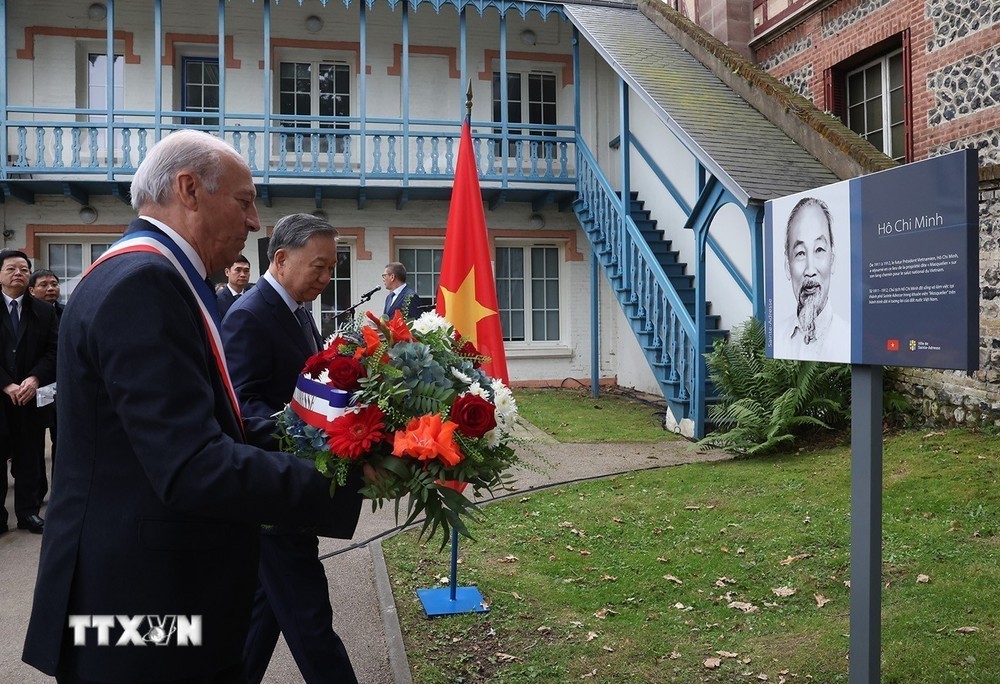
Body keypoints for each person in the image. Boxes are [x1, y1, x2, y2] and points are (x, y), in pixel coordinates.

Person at [22, 130, 366, 684]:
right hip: (140, 609)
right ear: (188, 189)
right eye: (244, 201)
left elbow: (210, 425)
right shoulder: (145, 283)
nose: (255, 222)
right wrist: (344, 480)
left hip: (144, 596)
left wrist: (343, 446)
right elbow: (191, 463)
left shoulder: (152, 275)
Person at [222, 213, 360, 684]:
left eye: (332, 268)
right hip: (271, 493)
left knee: (266, 612)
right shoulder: (249, 314)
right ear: (280, 258)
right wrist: (319, 433)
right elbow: (243, 408)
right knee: (311, 623)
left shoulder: (297, 311)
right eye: (318, 267)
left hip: (289, 494)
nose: (327, 278)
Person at [1, 250, 58, 536]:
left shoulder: (44, 311)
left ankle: (28, 513)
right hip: (2, 395)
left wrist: (34, 379)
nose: (19, 273)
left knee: (29, 457)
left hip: (29, 396)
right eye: (11, 268)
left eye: (24, 269)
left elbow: (52, 350)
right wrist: (5, 383)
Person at [778, 196, 849, 361]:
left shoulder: (849, 340)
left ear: (832, 259)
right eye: (801, 253)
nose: (810, 270)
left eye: (819, 250)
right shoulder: (776, 337)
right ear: (787, 265)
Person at [27, 268, 63, 502]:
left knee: (61, 442)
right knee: (33, 445)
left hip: (62, 388)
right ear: (31, 290)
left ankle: (60, 492)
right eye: (44, 285)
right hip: (34, 386)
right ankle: (36, 493)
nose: (50, 288)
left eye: (54, 284)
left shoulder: (67, 313)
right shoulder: (25, 315)